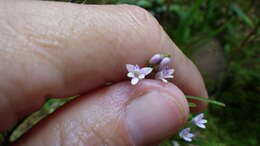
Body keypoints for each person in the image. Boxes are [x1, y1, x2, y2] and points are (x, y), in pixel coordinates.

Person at [0, 0, 208, 145]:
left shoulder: (143, 71)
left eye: (138, 74)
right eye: (136, 73)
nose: (136, 74)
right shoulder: (139, 72)